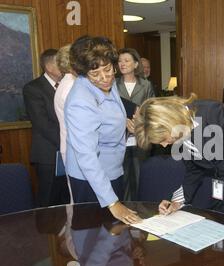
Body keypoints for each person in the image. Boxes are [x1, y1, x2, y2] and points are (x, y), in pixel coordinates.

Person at [134, 94, 224, 231]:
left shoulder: (213, 113)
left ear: (169, 121)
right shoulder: (180, 132)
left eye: (163, 139)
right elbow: (194, 169)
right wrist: (177, 201)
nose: (165, 145)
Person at [64, 36, 140, 225]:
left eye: (108, 70)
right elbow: (86, 156)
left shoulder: (108, 83)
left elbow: (110, 110)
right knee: (94, 235)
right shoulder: (80, 101)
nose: (105, 78)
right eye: (95, 74)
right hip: (90, 178)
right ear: (83, 73)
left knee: (114, 236)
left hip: (113, 169)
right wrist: (112, 202)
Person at [23, 49, 69, 207]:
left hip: (69, 154)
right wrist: (68, 141)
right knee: (48, 200)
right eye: (61, 63)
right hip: (48, 155)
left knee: (67, 200)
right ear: (49, 67)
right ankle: (43, 232)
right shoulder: (33, 88)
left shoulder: (68, 86)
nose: (65, 67)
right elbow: (42, 123)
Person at [117, 48, 155, 201]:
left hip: (141, 136)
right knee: (123, 177)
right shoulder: (112, 84)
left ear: (135, 64)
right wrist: (123, 121)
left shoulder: (146, 85)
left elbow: (152, 109)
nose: (122, 64)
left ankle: (142, 210)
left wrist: (140, 120)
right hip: (119, 137)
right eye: (119, 61)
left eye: (126, 61)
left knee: (141, 177)